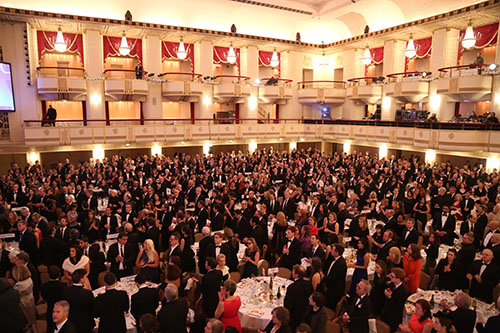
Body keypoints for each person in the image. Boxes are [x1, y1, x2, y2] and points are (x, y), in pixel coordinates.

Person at [284, 265, 314, 331]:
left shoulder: (292, 287)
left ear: (296, 275)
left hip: (294, 316)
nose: (292, 272)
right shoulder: (309, 284)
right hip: (306, 314)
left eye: (293, 272)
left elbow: (287, 305)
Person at [41, 265, 66, 332]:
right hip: (61, 308)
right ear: (59, 274)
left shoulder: (44, 286)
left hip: (50, 308)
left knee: (50, 326)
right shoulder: (63, 286)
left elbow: (44, 297)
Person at [382, 268, 409, 332]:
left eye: (392, 276)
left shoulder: (403, 291)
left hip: (393, 317)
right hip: (386, 313)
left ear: (398, 279)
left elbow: (398, 307)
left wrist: (389, 297)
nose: (390, 277)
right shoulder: (392, 284)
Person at [323, 243, 347, 310]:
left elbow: (333, 278)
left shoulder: (340, 264)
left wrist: (323, 277)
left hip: (335, 289)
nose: (331, 251)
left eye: (333, 250)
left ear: (337, 253)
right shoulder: (334, 259)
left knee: (330, 305)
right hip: (331, 286)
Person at [12, 265, 36, 331]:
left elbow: (14, 295)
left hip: (23, 302)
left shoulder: (19, 285)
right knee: (31, 313)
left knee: (26, 316)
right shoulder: (29, 279)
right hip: (30, 298)